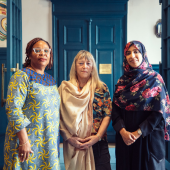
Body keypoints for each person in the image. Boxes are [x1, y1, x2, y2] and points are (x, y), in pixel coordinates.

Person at [111, 40, 170, 170]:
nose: (132, 56)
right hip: (125, 139)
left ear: (144, 54)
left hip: (148, 139)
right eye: (128, 53)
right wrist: (122, 132)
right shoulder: (122, 81)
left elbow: (159, 112)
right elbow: (114, 108)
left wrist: (138, 132)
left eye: (136, 51)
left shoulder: (155, 79)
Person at [3, 37, 60, 170]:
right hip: (26, 143)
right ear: (28, 54)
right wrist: (24, 141)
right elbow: (13, 109)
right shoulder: (21, 76)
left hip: (48, 143)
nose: (42, 53)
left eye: (46, 51)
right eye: (37, 50)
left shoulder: (50, 79)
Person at [59, 50, 112, 170]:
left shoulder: (101, 88)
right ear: (75, 66)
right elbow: (58, 116)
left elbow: (107, 114)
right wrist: (69, 138)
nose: (84, 66)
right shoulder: (65, 89)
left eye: (88, 63)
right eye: (81, 63)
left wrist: (97, 137)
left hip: (97, 142)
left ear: (92, 67)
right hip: (74, 143)